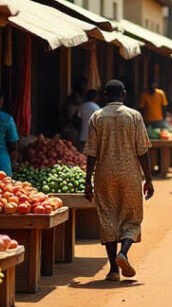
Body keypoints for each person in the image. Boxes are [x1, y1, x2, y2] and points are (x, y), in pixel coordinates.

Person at [84, 80, 154, 281]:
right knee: (131, 217)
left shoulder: (96, 117)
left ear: (105, 95)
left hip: (104, 174)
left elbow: (91, 153)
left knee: (108, 217)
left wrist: (88, 181)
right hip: (130, 173)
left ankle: (113, 269)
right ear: (123, 94)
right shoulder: (134, 116)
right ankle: (123, 252)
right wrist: (148, 178)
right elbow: (143, 150)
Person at [61, 77, 88, 144]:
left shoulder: (80, 95)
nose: (85, 87)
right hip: (71, 123)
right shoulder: (76, 95)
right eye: (84, 85)